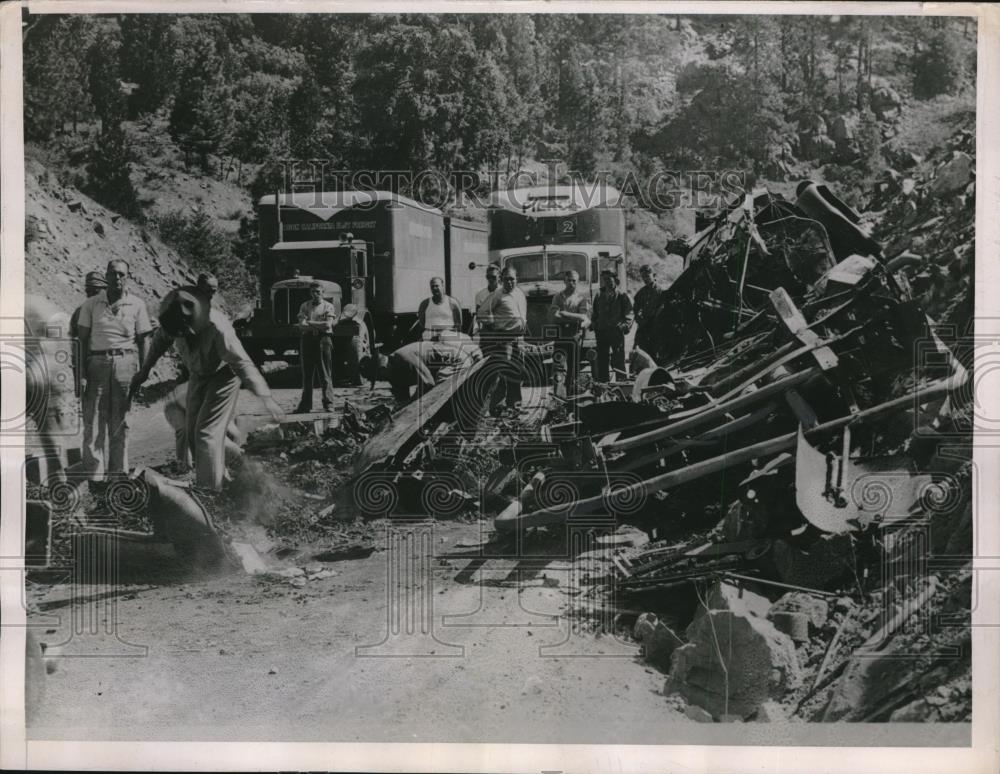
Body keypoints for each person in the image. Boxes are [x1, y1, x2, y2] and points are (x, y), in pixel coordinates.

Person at [130, 287, 283, 491]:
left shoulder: (218, 327)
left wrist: (266, 398)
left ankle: (211, 492)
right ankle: (225, 472)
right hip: (198, 375)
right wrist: (144, 371)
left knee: (206, 433)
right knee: (193, 433)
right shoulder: (171, 321)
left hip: (224, 375)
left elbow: (242, 363)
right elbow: (158, 345)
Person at [76, 260, 152, 495]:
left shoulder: (137, 305)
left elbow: (144, 340)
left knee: (120, 423)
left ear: (127, 277)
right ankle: (96, 481)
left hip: (125, 364)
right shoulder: (91, 304)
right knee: (93, 423)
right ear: (106, 277)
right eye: (113, 274)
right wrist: (79, 373)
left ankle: (118, 477)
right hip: (96, 363)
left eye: (122, 275)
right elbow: (81, 341)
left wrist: (143, 372)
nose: (117, 279)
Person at [369, 333, 484, 404]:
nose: (380, 381)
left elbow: (428, 383)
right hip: (442, 366)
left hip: (456, 361)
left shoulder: (403, 357)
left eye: (378, 378)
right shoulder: (391, 372)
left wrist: (412, 403)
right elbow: (401, 394)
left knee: (438, 394)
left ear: (382, 368)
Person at [163, 382, 243, 474]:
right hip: (174, 405)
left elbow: (233, 430)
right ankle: (183, 468)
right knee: (184, 432)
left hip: (189, 401)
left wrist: (238, 446)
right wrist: (235, 450)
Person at [481, 266, 527, 416]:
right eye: (506, 279)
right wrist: (494, 325)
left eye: (512, 279)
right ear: (502, 279)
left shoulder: (520, 293)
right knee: (502, 372)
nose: (510, 282)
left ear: (516, 279)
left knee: (516, 371)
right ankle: (497, 406)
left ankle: (515, 405)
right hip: (504, 339)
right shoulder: (497, 295)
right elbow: (481, 313)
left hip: (518, 339)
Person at [295, 281, 338, 412]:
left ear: (323, 293)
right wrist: (318, 324)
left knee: (325, 373)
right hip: (307, 340)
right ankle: (305, 405)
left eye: (318, 292)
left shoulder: (328, 306)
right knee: (307, 375)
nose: (315, 294)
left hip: (323, 340)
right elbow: (301, 326)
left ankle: (329, 404)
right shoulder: (305, 305)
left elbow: (328, 325)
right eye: (313, 292)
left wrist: (309, 322)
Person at [547, 269, 591, 396]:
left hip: (575, 336)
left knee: (573, 369)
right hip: (561, 336)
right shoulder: (557, 297)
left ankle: (572, 398)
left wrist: (565, 313)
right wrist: (574, 317)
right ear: (564, 281)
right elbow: (554, 317)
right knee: (558, 368)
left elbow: (583, 317)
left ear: (577, 282)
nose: (571, 283)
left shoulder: (581, 298)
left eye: (574, 281)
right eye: (569, 280)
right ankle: (559, 397)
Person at [591, 269, 634, 382]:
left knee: (618, 360)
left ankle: (622, 384)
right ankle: (603, 385)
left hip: (616, 332)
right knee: (602, 360)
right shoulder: (599, 295)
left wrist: (624, 326)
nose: (607, 282)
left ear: (615, 280)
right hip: (602, 332)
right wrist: (595, 324)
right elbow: (594, 313)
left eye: (609, 279)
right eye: (604, 279)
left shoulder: (622, 295)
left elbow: (629, 313)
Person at [633, 264, 662, 357]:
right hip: (645, 325)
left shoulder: (661, 291)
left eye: (647, 276)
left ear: (654, 275)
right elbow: (635, 308)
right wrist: (639, 320)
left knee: (657, 351)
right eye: (643, 277)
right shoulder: (641, 293)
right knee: (640, 350)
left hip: (658, 325)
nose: (645, 279)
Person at [474, 264, 501, 333]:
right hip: (487, 330)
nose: (491, 279)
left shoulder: (504, 292)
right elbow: (479, 315)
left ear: (499, 277)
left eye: (493, 277)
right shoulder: (480, 294)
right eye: (488, 277)